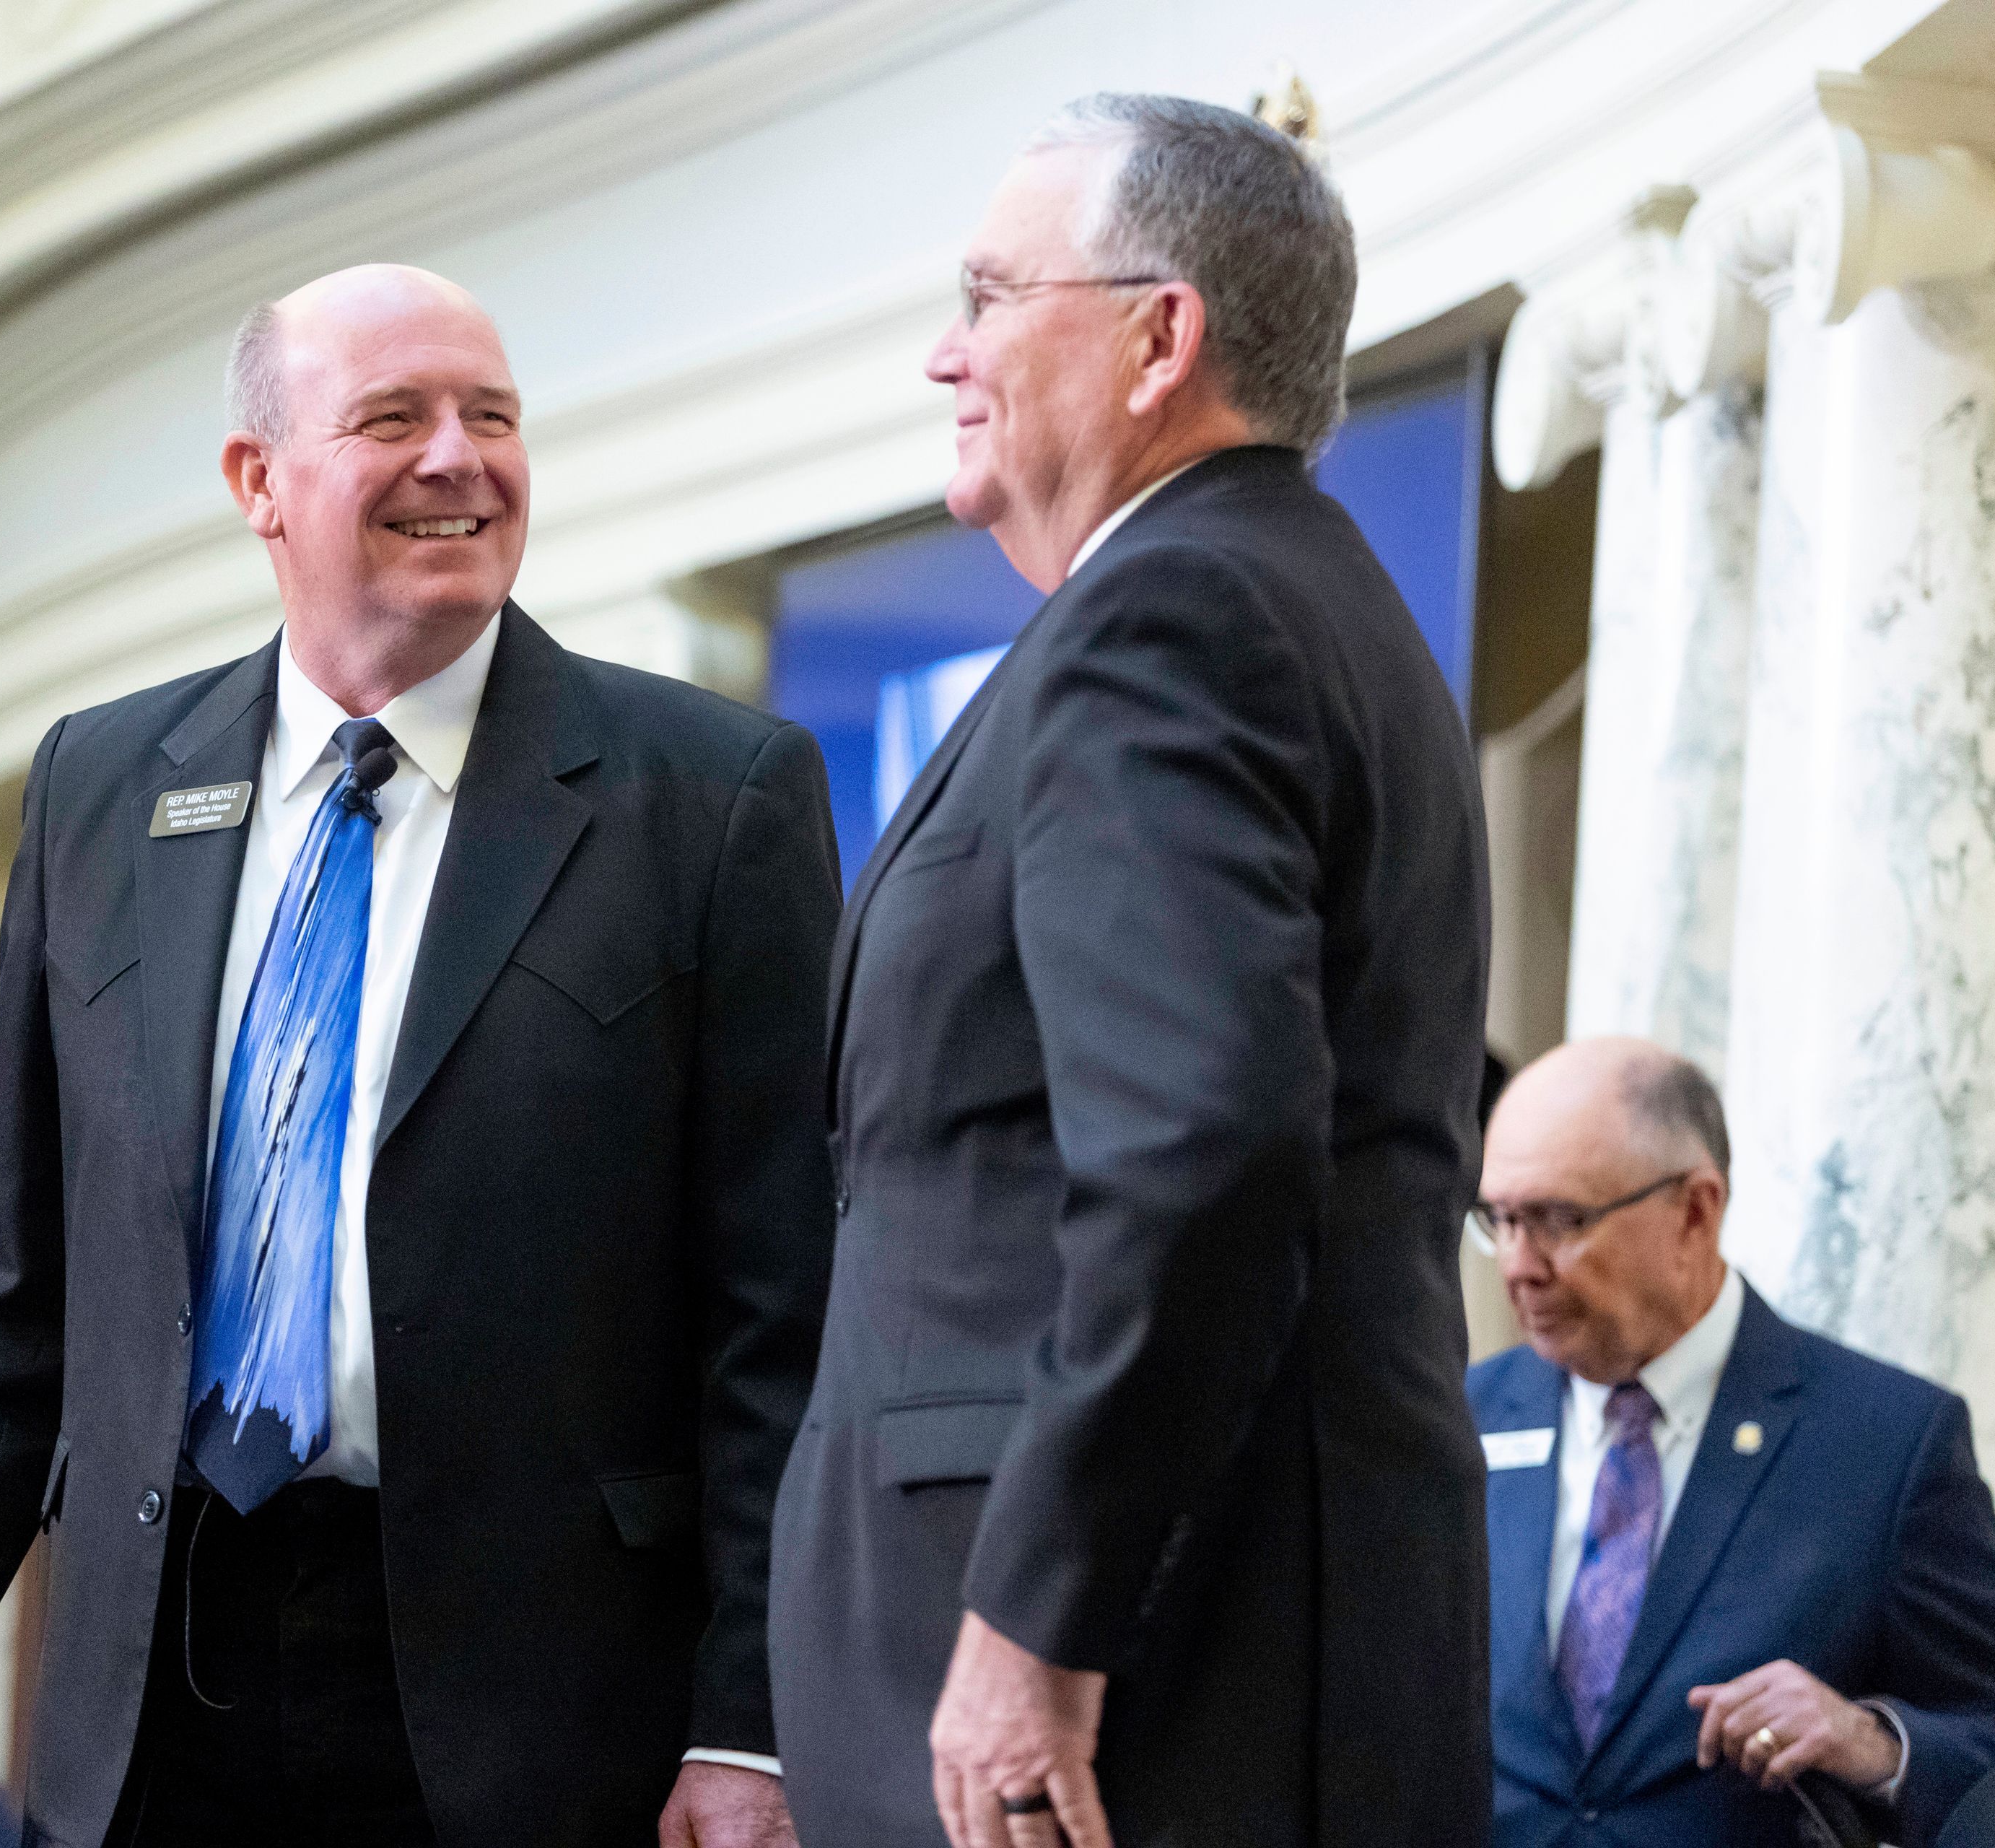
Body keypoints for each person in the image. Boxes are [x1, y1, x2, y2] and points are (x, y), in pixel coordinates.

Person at [0, 264, 837, 1848]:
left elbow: (785, 1321)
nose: (460, 457)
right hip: (152, 1684)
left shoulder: (713, 798)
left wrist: (753, 1727)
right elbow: (10, 1294)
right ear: (259, 482)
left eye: (491, 417)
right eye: (394, 419)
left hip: (542, 1711)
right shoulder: (97, 788)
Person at [769, 93, 1493, 1848]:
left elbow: (1201, 1144)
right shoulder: (1301, 600)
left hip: (1130, 1690)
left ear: (1158, 334)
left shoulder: (1166, 616)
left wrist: (1039, 1613)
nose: (946, 356)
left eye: (990, 296)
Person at [1468, 1038, 1995, 1847]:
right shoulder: (1470, 1414)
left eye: (1558, 1220)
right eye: (1498, 1220)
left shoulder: (1887, 1443)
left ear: (1695, 1209)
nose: (1519, 1265)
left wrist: (1869, 1742)